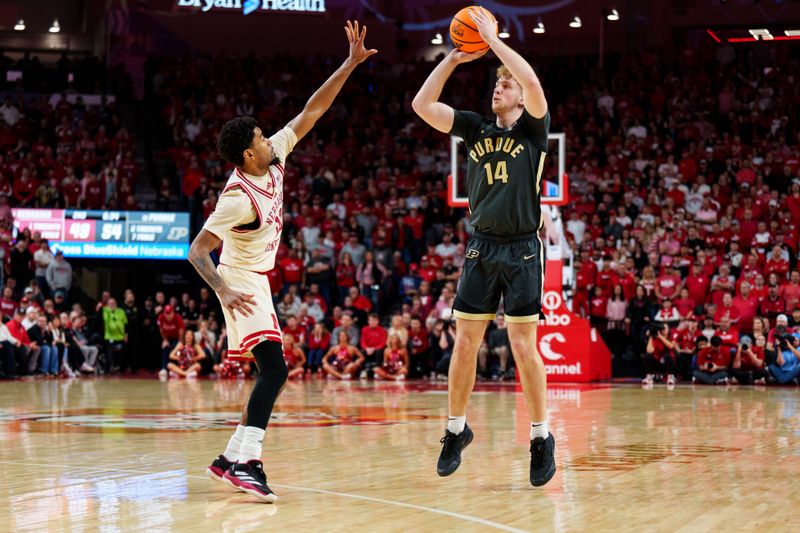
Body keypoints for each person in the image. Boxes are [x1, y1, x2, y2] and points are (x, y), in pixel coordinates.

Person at [187, 21, 375, 503]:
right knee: (275, 371)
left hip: (256, 278)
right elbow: (197, 250)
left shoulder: (272, 158)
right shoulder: (236, 197)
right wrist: (223, 290)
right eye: (262, 139)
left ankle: (232, 457)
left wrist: (349, 65)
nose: (272, 140)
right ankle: (248, 462)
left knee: (273, 370)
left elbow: (313, 111)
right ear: (248, 154)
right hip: (239, 279)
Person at [412, 7, 555, 486]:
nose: (499, 88)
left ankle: (540, 437)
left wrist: (493, 42)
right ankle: (456, 429)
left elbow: (532, 83)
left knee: (521, 345)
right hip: (481, 247)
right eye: (496, 83)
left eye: (505, 85)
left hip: (522, 249)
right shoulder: (474, 127)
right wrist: (453, 60)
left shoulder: (533, 130)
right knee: (465, 342)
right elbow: (422, 105)